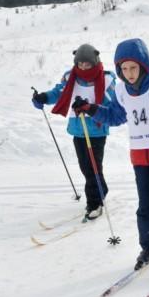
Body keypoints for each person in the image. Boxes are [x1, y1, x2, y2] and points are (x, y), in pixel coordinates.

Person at [72, 38, 149, 274]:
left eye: (133, 67)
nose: (128, 73)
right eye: (123, 69)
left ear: (143, 64)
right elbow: (116, 116)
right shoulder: (121, 90)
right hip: (140, 158)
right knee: (146, 207)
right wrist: (91, 109)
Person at [32, 44, 116, 220]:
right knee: (86, 167)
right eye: (80, 64)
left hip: (97, 129)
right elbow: (58, 93)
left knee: (93, 167)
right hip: (78, 129)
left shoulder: (106, 79)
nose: (83, 67)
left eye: (87, 64)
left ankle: (94, 203)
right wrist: (43, 97)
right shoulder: (70, 77)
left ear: (95, 62)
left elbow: (111, 104)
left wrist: (90, 107)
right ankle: (102, 190)